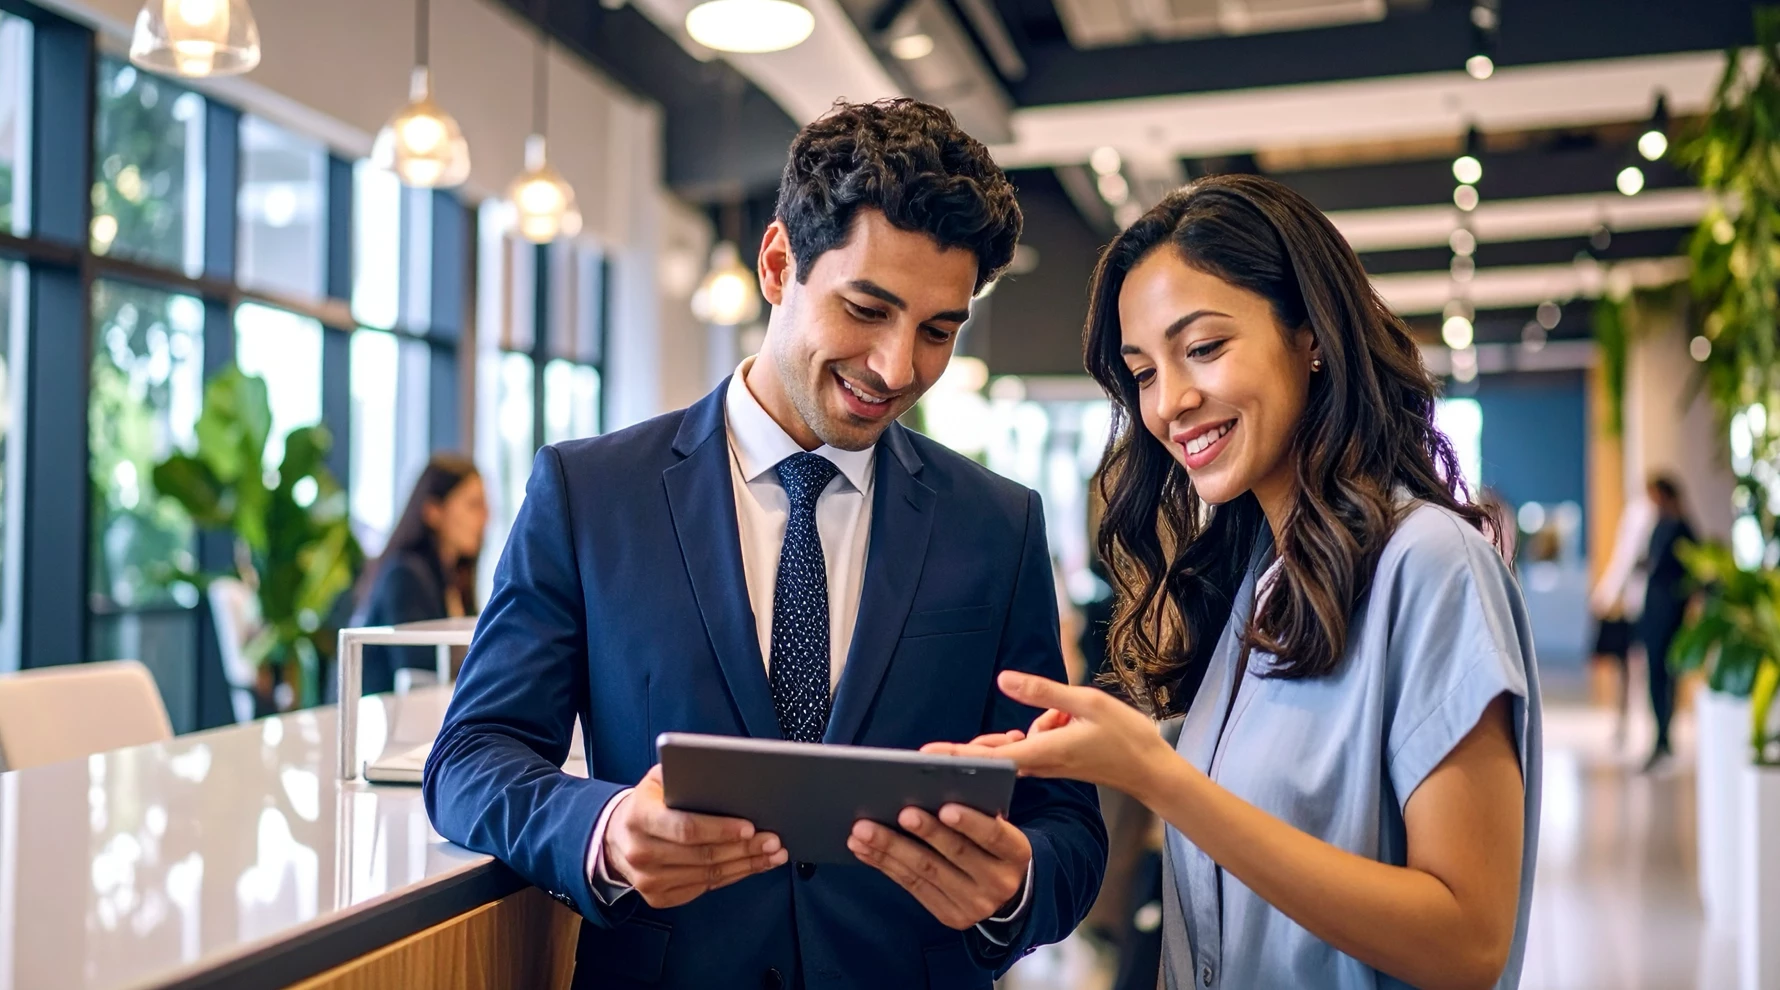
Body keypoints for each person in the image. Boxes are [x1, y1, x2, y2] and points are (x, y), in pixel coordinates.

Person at [423, 99, 1106, 990]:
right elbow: (473, 756)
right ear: (779, 264)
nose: (898, 368)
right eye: (867, 308)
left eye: (938, 330)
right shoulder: (589, 495)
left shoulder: (996, 523)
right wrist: (604, 830)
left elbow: (1067, 821)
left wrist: (1016, 884)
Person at [927, 174, 1542, 990]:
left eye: (1205, 348)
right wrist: (1106, 757)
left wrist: (1160, 777)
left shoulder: (1428, 566)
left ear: (1311, 335)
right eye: (1143, 372)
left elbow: (1467, 942)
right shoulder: (1257, 577)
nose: (1171, 402)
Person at [353, 454, 488, 695]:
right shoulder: (406, 575)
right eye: (473, 505)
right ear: (433, 511)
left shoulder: (454, 578)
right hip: (383, 723)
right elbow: (420, 676)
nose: (485, 518)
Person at [1638, 474, 1695, 771]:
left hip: (1670, 613)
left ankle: (1664, 737)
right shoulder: (1660, 525)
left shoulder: (1681, 527)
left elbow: (1691, 570)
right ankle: (1659, 737)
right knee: (1655, 676)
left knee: (1666, 675)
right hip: (1654, 611)